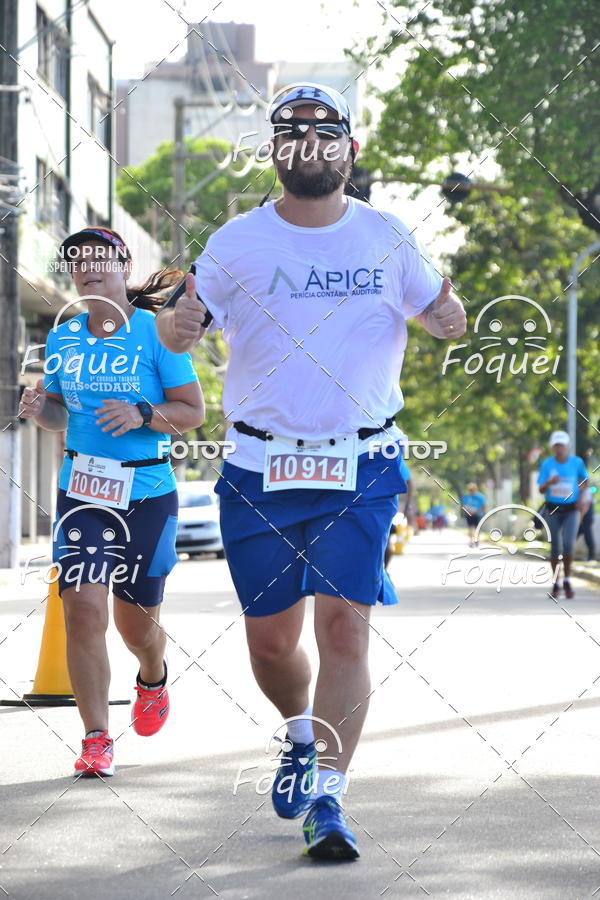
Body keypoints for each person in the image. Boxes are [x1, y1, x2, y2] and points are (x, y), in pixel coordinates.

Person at [156, 83, 466, 860]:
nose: (310, 146)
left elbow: (438, 316)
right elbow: (179, 325)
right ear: (276, 151)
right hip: (259, 464)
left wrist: (451, 319)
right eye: (292, 135)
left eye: (326, 134)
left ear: (348, 150)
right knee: (270, 644)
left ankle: (330, 798)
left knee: (343, 629)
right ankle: (298, 733)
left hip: (361, 461)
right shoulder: (236, 242)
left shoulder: (388, 238)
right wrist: (175, 324)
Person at [19, 227, 204, 777]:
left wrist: (144, 415)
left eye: (100, 257)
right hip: (83, 491)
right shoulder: (65, 337)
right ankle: (96, 738)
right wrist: (39, 408)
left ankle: (152, 676)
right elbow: (60, 413)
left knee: (136, 624)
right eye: (77, 260)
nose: (88, 267)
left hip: (147, 491)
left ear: (124, 266)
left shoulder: (155, 332)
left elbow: (192, 412)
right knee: (83, 610)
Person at [537, 430, 588, 599]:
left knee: (568, 544)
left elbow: (585, 480)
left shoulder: (577, 462)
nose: (559, 449)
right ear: (552, 447)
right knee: (555, 547)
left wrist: (581, 492)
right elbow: (541, 489)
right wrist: (549, 483)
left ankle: (566, 579)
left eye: (562, 445)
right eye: (556, 445)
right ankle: (555, 582)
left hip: (571, 510)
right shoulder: (547, 464)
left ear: (567, 446)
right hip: (553, 509)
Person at [461, 482, 486, 547]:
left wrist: (478, 511)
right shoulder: (466, 497)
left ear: (476, 489)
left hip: (478, 514)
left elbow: (484, 506)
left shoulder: (481, 497)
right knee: (470, 528)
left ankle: (476, 540)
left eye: (473, 489)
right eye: (470, 490)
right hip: (469, 514)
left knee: (477, 528)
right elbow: (463, 506)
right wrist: (468, 511)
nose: (472, 491)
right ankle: (471, 541)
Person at [577, 485, 596, 561]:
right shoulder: (579, 491)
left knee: (587, 536)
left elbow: (585, 506)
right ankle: (566, 553)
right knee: (574, 535)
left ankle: (591, 556)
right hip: (582, 516)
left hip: (585, 517)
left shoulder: (587, 491)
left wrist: (580, 517)